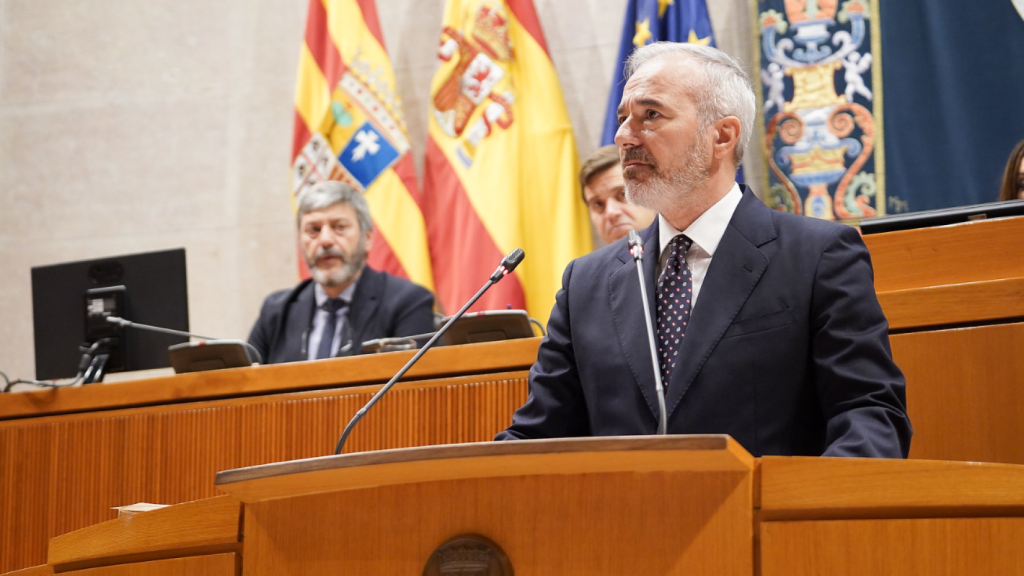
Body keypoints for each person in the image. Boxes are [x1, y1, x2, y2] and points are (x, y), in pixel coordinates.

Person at [496, 42, 912, 458]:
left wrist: (802, 513)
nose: (623, 136)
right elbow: (538, 436)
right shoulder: (586, 282)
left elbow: (869, 413)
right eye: (623, 118)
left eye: (651, 115)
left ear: (722, 135)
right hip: (623, 519)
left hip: (761, 518)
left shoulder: (817, 256)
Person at [249, 181, 435, 364]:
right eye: (313, 230)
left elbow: (413, 388)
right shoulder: (277, 310)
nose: (326, 240)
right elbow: (242, 381)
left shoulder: (407, 302)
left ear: (367, 239)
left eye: (339, 227)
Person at [581, 145, 657, 245]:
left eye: (623, 194)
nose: (611, 213)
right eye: (598, 204)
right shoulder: (587, 261)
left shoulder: (681, 256)